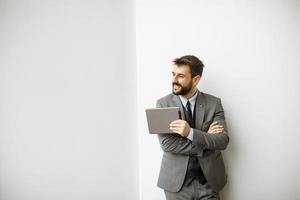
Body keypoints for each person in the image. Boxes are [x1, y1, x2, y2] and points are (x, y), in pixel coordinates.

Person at [156, 55, 229, 200]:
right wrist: (205, 138)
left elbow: (222, 141)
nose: (174, 80)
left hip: (209, 182)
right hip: (176, 185)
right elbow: (167, 144)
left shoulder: (214, 104)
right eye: (173, 74)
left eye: (181, 76)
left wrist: (190, 133)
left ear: (196, 80)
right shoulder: (163, 104)